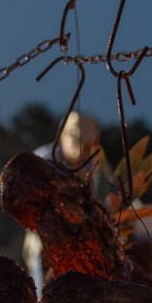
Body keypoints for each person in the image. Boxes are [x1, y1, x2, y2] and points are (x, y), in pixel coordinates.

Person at [21, 109, 102, 289]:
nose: (82, 148)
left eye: (88, 144)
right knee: (44, 282)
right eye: (77, 141)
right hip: (43, 235)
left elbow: (94, 198)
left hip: (77, 237)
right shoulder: (43, 160)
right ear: (64, 136)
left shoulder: (92, 163)